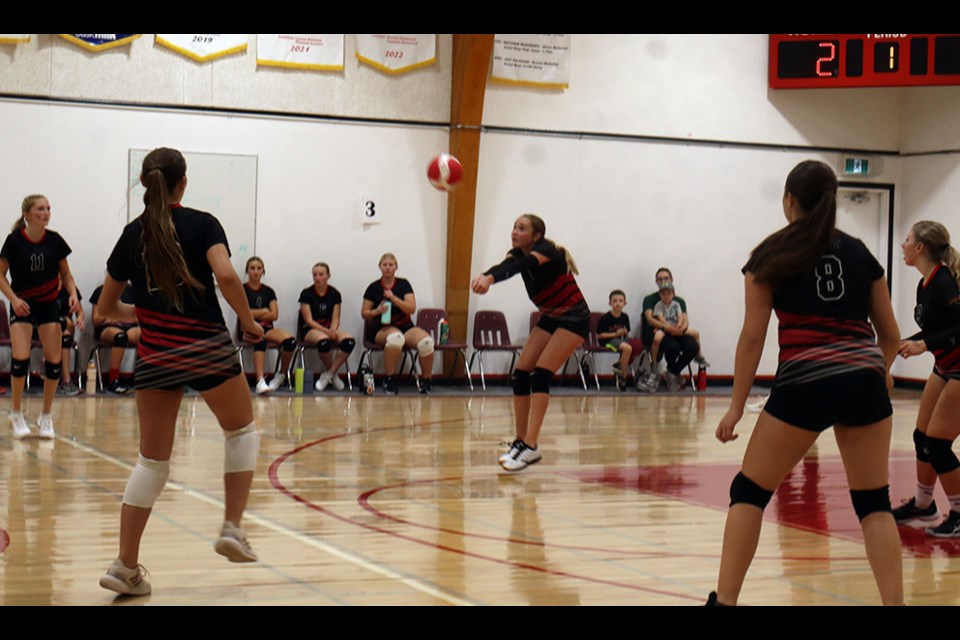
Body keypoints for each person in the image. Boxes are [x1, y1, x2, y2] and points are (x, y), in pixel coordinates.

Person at [711, 160, 903, 606]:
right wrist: (881, 370)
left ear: (789, 200)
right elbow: (890, 335)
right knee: (874, 502)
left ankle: (724, 603)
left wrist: (736, 407)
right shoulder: (861, 253)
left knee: (750, 491)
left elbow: (752, 337)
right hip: (863, 378)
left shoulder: (770, 255)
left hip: (805, 380)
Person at [98, 148, 264, 597]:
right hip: (205, 345)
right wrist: (248, 321)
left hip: (155, 354)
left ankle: (124, 566)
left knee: (151, 462)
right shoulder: (202, 223)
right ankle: (231, 525)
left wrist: (143, 313)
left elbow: (104, 310)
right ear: (182, 183)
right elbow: (227, 276)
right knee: (242, 432)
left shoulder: (132, 233)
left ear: (144, 183)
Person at [472, 214, 589, 471]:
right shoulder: (516, 253)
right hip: (551, 316)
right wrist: (487, 275)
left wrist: (490, 279)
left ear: (536, 236)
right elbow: (505, 266)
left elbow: (518, 267)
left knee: (540, 375)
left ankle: (532, 446)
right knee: (521, 374)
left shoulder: (545, 250)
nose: (514, 231)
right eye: (514, 226)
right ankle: (521, 441)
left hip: (574, 319)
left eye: (521, 228)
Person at [892, 221, 960, 537]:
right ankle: (923, 505)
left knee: (938, 443)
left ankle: (959, 513)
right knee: (923, 438)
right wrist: (907, 341)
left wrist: (925, 345)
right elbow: (936, 329)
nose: (902, 244)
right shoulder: (926, 284)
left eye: (906, 239)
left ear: (920, 247)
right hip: (945, 367)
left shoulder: (945, 282)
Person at [0, 194, 82, 439]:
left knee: (54, 362)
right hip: (23, 305)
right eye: (40, 209)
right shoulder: (14, 242)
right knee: (21, 358)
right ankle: (16, 412)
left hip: (48, 306)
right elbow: (1, 276)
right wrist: (14, 299)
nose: (46, 213)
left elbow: (66, 275)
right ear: (27, 214)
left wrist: (73, 295)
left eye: (48, 208)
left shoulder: (55, 241)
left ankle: (46, 416)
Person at [361, 253, 434, 394]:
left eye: (391, 265)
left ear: (396, 267)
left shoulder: (403, 284)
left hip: (405, 325)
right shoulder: (373, 288)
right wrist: (377, 311)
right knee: (396, 339)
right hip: (382, 327)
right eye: (385, 265)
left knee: (426, 342)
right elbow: (364, 313)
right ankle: (389, 379)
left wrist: (393, 298)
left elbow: (411, 308)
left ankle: (426, 381)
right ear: (380, 267)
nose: (388, 268)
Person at [640, 268, 709, 391]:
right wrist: (666, 327)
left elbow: (684, 318)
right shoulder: (650, 300)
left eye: (666, 278)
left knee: (692, 346)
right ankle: (666, 373)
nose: (663, 281)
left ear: (671, 280)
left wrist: (681, 328)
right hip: (658, 330)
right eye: (660, 279)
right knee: (673, 346)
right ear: (656, 281)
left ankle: (672, 372)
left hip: (677, 330)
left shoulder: (678, 301)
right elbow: (650, 319)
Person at [299, 262, 355, 392]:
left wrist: (333, 330)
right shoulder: (306, 293)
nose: (317, 277)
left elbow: (336, 317)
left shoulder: (335, 293)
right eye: (315, 275)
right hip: (311, 329)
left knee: (349, 341)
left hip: (330, 329)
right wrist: (327, 331)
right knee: (324, 342)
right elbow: (308, 320)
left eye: (321, 274)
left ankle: (329, 373)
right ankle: (333, 375)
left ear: (328, 276)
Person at [243, 256, 296, 395]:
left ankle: (282, 374)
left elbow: (274, 315)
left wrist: (254, 313)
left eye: (259, 268)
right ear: (247, 271)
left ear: (263, 271)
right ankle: (260, 381)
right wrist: (264, 311)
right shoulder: (242, 289)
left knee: (290, 342)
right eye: (252, 268)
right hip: (248, 328)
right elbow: (243, 314)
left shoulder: (268, 291)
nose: (255, 271)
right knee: (260, 341)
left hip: (267, 328)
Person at [89, 281, 140, 395]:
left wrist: (118, 316)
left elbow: (138, 316)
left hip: (129, 326)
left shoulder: (132, 290)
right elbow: (96, 320)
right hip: (108, 328)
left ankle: (144, 377)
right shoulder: (101, 291)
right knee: (120, 337)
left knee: (146, 336)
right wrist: (111, 316)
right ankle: (113, 380)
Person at [652, 281, 701, 391]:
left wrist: (679, 326)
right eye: (663, 294)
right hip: (665, 328)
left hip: (677, 328)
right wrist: (669, 328)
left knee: (693, 342)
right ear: (660, 295)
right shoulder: (658, 305)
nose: (666, 296)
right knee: (659, 339)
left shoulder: (677, 304)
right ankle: (654, 362)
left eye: (668, 293)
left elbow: (681, 316)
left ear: (673, 294)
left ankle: (672, 372)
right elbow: (661, 319)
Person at [596, 289, 643, 391]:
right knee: (627, 348)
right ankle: (622, 375)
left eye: (620, 301)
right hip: (607, 342)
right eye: (615, 301)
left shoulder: (625, 317)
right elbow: (599, 336)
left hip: (620, 340)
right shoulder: (606, 318)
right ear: (610, 303)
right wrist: (615, 333)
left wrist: (624, 332)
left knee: (634, 347)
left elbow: (627, 332)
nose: (618, 303)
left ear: (625, 303)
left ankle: (620, 372)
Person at [54, 281, 84, 396]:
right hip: (45, 328)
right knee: (62, 324)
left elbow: (79, 312)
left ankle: (66, 380)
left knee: (65, 331)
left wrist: (80, 319)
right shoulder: (44, 287)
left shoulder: (70, 289)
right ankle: (63, 378)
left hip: (65, 328)